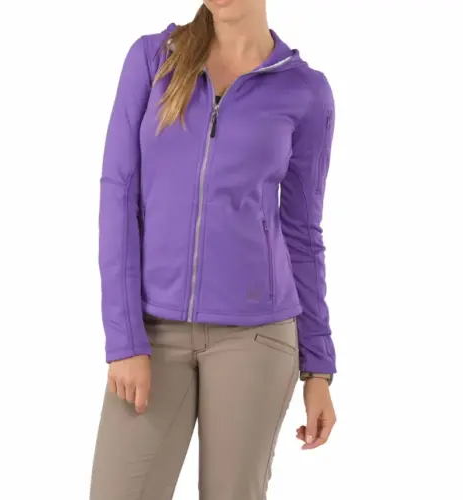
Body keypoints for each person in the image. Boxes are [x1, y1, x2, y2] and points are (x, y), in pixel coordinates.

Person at [90, 1, 337, 498]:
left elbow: (302, 232)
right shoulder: (154, 59)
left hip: (257, 338)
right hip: (153, 331)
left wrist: (318, 367)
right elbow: (118, 196)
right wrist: (125, 341)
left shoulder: (304, 91)